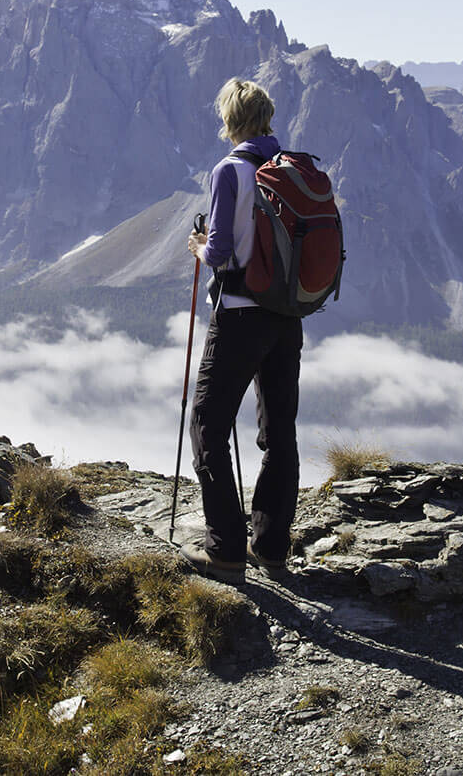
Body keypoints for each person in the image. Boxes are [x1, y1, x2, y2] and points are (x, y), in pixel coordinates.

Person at [182, 77, 303, 578]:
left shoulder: (230, 170)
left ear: (230, 120)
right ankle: (272, 548)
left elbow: (221, 251)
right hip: (288, 316)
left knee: (209, 423)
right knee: (278, 430)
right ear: (268, 117)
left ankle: (226, 550)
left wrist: (198, 247)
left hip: (238, 313)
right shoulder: (292, 168)